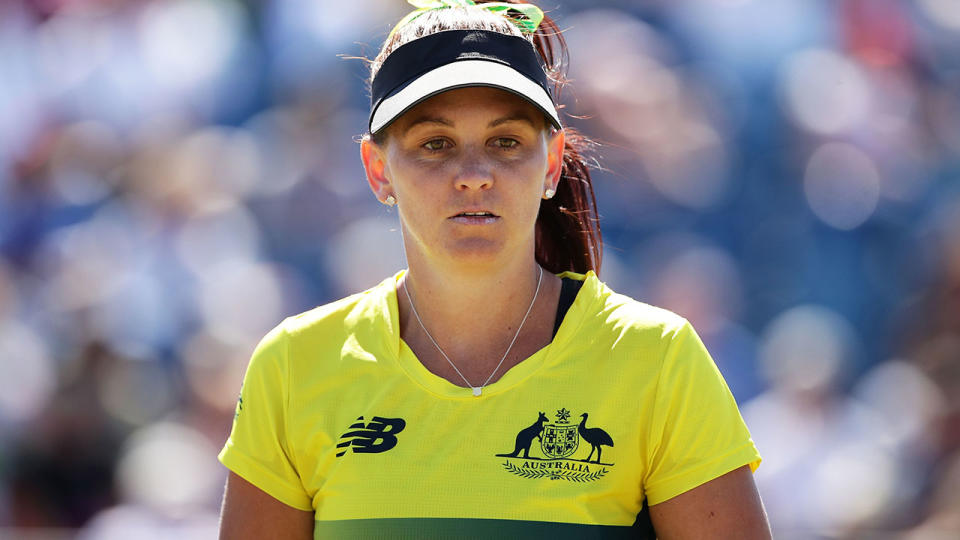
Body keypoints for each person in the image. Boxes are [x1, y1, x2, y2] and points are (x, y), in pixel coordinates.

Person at [217, 1, 771, 538]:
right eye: (435, 144)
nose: (474, 174)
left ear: (550, 163)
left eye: (506, 142)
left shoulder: (659, 359)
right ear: (377, 169)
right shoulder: (292, 367)